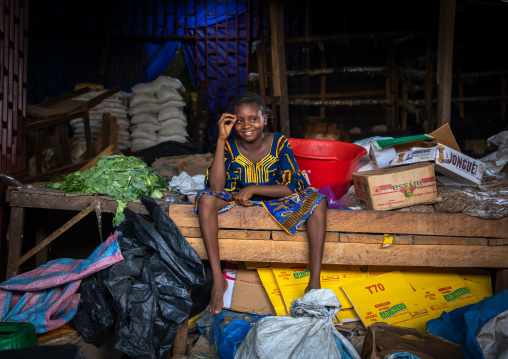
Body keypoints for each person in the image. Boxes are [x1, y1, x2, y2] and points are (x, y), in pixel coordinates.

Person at [194, 92, 327, 314]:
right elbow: (216, 188)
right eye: (239, 120)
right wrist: (220, 139)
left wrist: (254, 189)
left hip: (278, 199)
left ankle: (314, 283)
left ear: (265, 118)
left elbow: (295, 185)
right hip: (236, 199)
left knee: (318, 202)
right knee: (206, 199)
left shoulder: (279, 142)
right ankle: (218, 281)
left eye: (253, 118)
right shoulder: (229, 145)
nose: (247, 125)